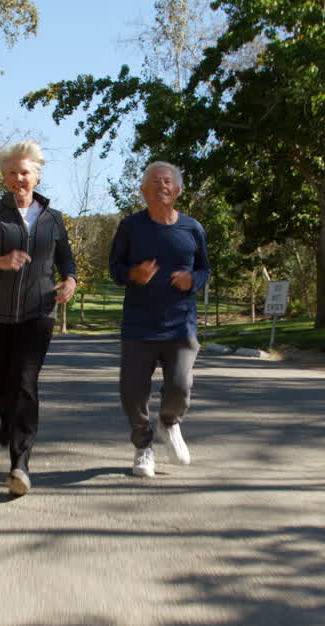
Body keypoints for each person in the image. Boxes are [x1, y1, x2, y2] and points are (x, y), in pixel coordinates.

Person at [0, 140, 77, 496]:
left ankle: (19, 464)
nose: (18, 178)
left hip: (38, 313)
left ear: (36, 174)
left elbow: (66, 260)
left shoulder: (53, 218)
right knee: (0, 384)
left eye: (24, 172)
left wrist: (70, 280)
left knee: (25, 383)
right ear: (3, 177)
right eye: (11, 172)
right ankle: (9, 422)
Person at [108, 161, 210, 478]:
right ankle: (143, 447)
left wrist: (192, 280)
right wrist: (133, 274)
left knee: (180, 385)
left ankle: (169, 423)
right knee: (132, 393)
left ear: (177, 190)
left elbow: (204, 269)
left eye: (167, 181)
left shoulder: (192, 229)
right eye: (154, 181)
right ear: (143, 190)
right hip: (139, 325)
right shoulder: (131, 227)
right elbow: (114, 269)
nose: (161, 185)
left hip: (181, 324)